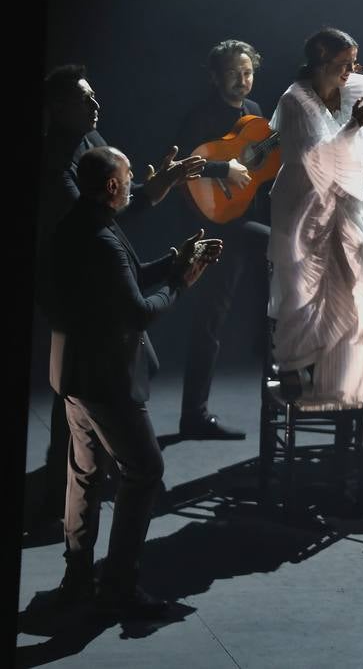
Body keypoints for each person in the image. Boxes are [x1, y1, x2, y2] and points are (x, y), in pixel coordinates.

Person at [48, 145, 222, 617]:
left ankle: (78, 575)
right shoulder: (104, 238)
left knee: (83, 476)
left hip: (74, 373)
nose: (134, 186)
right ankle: (118, 587)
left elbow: (123, 281)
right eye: (129, 179)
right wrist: (183, 281)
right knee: (144, 471)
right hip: (107, 378)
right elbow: (138, 312)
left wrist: (172, 261)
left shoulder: (80, 224)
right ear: (111, 186)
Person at [33, 64, 205, 521]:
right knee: (78, 392)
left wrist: (154, 187)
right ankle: (61, 492)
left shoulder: (91, 140)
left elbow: (111, 202)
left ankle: (92, 480)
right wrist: (178, 277)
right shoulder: (54, 164)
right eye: (84, 99)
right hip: (70, 288)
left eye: (94, 96)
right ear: (56, 108)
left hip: (97, 269)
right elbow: (93, 221)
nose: (96, 104)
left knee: (87, 395)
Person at [267, 27, 363, 404]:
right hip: (302, 205)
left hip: (344, 201)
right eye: (343, 64)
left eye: (354, 62)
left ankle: (336, 368)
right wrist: (353, 126)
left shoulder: (357, 87)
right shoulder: (295, 102)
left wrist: (360, 130)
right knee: (302, 290)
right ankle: (291, 365)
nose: (350, 70)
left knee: (352, 283)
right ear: (319, 64)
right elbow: (315, 161)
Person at [174, 39, 270, 439]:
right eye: (233, 73)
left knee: (280, 253)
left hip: (239, 219)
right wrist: (222, 169)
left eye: (247, 73)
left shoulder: (256, 115)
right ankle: (193, 416)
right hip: (210, 225)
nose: (242, 81)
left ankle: (278, 357)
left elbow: (259, 165)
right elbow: (180, 168)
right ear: (215, 77)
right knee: (210, 319)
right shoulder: (200, 117)